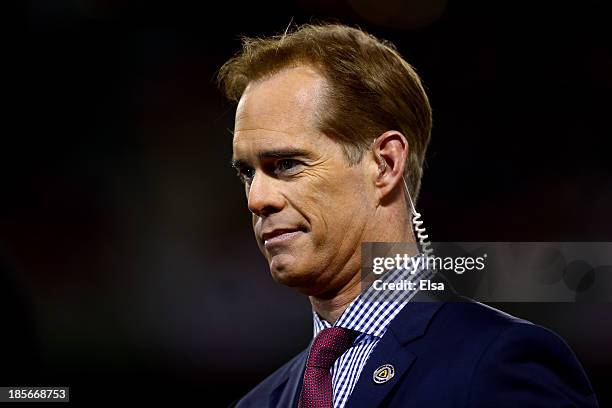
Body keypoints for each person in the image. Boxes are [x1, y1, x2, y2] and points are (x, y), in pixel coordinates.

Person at [218, 23, 598, 408]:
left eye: (286, 164)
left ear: (384, 164)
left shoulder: (499, 363)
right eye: (247, 173)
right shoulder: (259, 403)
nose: (257, 198)